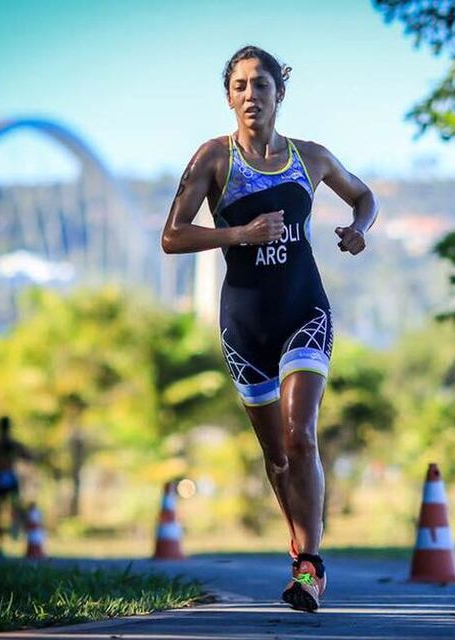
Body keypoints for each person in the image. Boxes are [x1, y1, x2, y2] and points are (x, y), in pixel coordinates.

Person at [161, 45, 377, 612]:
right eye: (240, 86)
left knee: (301, 434)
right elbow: (172, 236)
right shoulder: (213, 158)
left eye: (261, 84)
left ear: (280, 92)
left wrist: (359, 229)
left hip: (303, 312)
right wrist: (239, 235)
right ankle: (300, 547)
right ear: (228, 97)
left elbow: (364, 195)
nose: (251, 94)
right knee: (278, 455)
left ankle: (311, 566)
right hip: (245, 326)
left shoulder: (312, 158)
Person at [0, 416, 32, 557]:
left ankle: (0, 547)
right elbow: (27, 456)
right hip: (9, 478)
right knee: (14, 508)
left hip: (1, 478)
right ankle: (15, 526)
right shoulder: (11, 443)